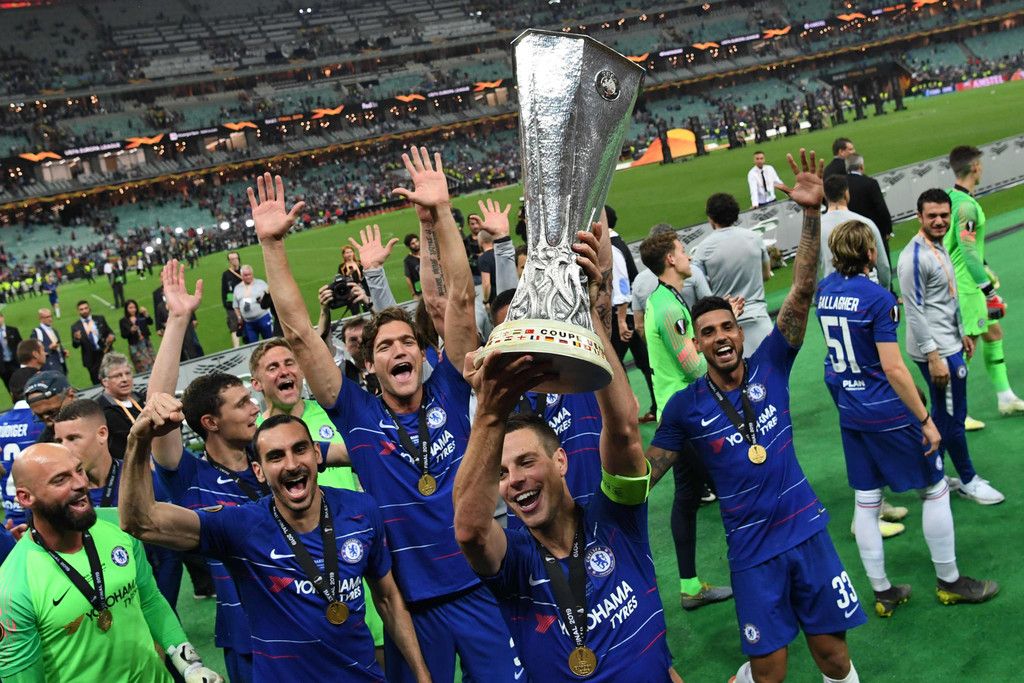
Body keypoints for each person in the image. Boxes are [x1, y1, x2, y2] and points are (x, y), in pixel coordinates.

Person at [253, 150, 523, 682]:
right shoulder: (356, 412)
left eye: (407, 342)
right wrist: (272, 246)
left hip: (482, 584)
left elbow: (460, 301)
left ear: (422, 355)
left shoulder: (450, 388)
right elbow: (300, 334)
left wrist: (441, 213)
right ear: (370, 365)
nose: (399, 349)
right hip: (412, 606)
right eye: (384, 346)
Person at [647, 150, 867, 683]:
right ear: (697, 343)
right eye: (709, 333)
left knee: (834, 657)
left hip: (806, 531)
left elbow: (803, 289)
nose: (721, 337)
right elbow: (647, 472)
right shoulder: (685, 407)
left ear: (739, 332)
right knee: (769, 673)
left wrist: (810, 216)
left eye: (728, 327)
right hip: (751, 551)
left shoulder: (772, 362)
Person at [453, 223, 676, 682]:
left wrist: (587, 312)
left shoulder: (616, 517)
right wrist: (488, 415)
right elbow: (471, 532)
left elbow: (624, 430)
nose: (514, 479)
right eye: (502, 473)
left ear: (560, 462)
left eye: (526, 462)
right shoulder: (515, 561)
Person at [120, 397, 431, 682]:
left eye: (300, 449)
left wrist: (421, 674)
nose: (292, 464)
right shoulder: (241, 527)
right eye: (276, 456)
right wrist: (138, 440)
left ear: (317, 454)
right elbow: (139, 521)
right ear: (259, 471)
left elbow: (388, 599)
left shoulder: (360, 510)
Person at [817, 220, 999, 615]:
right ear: (870, 253)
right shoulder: (878, 298)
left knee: (867, 501)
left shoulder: (825, 291)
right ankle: (950, 582)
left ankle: (883, 592)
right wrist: (925, 419)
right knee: (935, 489)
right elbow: (894, 368)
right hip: (886, 410)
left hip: (851, 410)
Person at [0, 441, 221, 683]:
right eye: (60, 480)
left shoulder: (119, 524)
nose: (80, 483)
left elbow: (150, 600)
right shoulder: (13, 586)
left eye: (79, 470)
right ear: (25, 497)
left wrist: (190, 667)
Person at [146, 260, 266, 682]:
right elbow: (158, 408)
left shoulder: (276, 458)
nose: (255, 408)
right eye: (242, 404)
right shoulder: (190, 477)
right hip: (248, 637)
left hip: (308, 616)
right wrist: (178, 320)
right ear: (211, 422)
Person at [638, 228, 735, 610]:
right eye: (682, 250)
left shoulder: (664, 300)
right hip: (688, 416)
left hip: (675, 413)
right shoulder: (668, 308)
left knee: (688, 497)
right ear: (670, 260)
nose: (688, 255)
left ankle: (690, 586)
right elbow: (693, 367)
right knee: (734, 484)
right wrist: (723, 348)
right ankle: (757, 564)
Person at [897, 189, 1005, 505]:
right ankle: (968, 480)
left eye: (944, 215)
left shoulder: (939, 246)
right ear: (919, 217)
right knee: (954, 419)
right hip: (937, 351)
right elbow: (914, 311)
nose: (939, 221)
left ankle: (929, 476)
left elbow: (946, 298)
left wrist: (961, 335)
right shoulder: (914, 257)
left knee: (945, 416)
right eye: (932, 215)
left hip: (949, 342)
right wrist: (934, 356)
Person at [52, 399, 184, 606]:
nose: (64, 448)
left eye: (72, 438)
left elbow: (169, 557)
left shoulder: (141, 479)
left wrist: (156, 604)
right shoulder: (58, 497)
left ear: (102, 434)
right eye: (59, 441)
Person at [944, 145, 1024, 416]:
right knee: (966, 348)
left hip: (965, 280)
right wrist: (988, 291)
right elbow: (967, 252)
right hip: (967, 287)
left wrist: (985, 268)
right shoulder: (967, 206)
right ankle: (956, 413)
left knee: (994, 333)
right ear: (976, 167)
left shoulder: (951, 198)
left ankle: (1005, 397)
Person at [692, 193, 773, 356]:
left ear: (711, 218)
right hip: (759, 319)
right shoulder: (754, 238)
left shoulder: (703, 249)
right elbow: (766, 275)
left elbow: (699, 289)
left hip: (726, 328)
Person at [607, 207, 657, 423]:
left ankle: (626, 414)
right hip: (629, 312)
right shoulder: (618, 242)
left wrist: (620, 320)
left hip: (622, 315)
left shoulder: (611, 247)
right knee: (645, 361)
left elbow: (621, 284)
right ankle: (656, 406)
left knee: (615, 367)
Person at [820, 175, 890, 290]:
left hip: (832, 291)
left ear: (825, 195)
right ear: (846, 193)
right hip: (865, 288)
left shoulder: (816, 229)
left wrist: (817, 295)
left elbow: (810, 267)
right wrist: (885, 289)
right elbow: (883, 264)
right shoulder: (865, 223)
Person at [0, 393, 45, 528]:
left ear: (11, 394)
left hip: (11, 519)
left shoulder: (2, 421)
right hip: (39, 518)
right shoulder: (41, 421)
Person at [95, 352, 144, 460]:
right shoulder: (103, 411)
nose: (125, 379)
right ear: (105, 382)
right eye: (118, 376)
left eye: (128, 373)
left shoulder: (141, 398)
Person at [844, 154, 893, 261]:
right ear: (861, 166)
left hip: (851, 233)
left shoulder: (842, 184)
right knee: (881, 262)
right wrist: (888, 230)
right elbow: (881, 208)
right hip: (872, 232)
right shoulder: (870, 183)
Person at [23, 371, 77, 444]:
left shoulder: (93, 421)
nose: (49, 423)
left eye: (53, 413)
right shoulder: (44, 446)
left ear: (71, 396)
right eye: (40, 416)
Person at [70, 301, 116, 385]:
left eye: (86, 308)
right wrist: (77, 339)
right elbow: (75, 345)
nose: (84, 311)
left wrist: (111, 337)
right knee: (97, 383)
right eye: (81, 309)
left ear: (89, 308)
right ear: (78, 311)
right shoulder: (75, 326)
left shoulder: (100, 318)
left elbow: (110, 332)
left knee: (113, 378)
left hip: (106, 353)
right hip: (91, 359)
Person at [232, 265, 274, 344]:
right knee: (252, 345)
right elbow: (235, 306)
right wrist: (239, 318)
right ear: (241, 275)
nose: (248, 277)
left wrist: (263, 301)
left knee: (270, 342)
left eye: (249, 274)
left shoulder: (261, 284)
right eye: (245, 275)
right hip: (248, 323)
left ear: (252, 274)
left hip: (263, 318)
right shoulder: (237, 288)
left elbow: (270, 298)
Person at [119, 299, 155, 372]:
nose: (133, 310)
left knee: (154, 361)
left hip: (146, 342)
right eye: (130, 308)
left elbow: (150, 322)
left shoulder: (140, 316)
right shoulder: (123, 320)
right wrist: (131, 330)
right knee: (142, 365)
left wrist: (146, 313)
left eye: (134, 307)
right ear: (126, 309)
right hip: (135, 345)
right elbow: (123, 335)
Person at [8, 339, 46, 404]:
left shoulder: (14, 376)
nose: (45, 353)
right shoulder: (37, 376)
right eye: (43, 350)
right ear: (35, 354)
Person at [32, 308, 68, 376]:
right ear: (41, 318)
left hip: (60, 364)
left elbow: (58, 345)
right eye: (47, 317)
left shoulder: (54, 330)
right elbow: (35, 351)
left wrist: (63, 351)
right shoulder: (37, 332)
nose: (50, 319)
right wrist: (49, 348)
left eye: (51, 316)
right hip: (49, 368)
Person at [221, 251, 244, 349]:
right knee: (234, 328)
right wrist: (227, 305)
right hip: (232, 306)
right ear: (229, 261)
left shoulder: (244, 271)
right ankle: (236, 349)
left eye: (236, 258)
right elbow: (224, 291)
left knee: (248, 328)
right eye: (232, 259)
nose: (234, 261)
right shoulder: (226, 274)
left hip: (245, 303)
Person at [403, 233, 422, 300]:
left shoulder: (427, 253)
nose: (416, 244)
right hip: (420, 290)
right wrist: (413, 294)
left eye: (416, 241)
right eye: (413, 243)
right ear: (408, 246)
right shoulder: (408, 261)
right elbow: (408, 277)